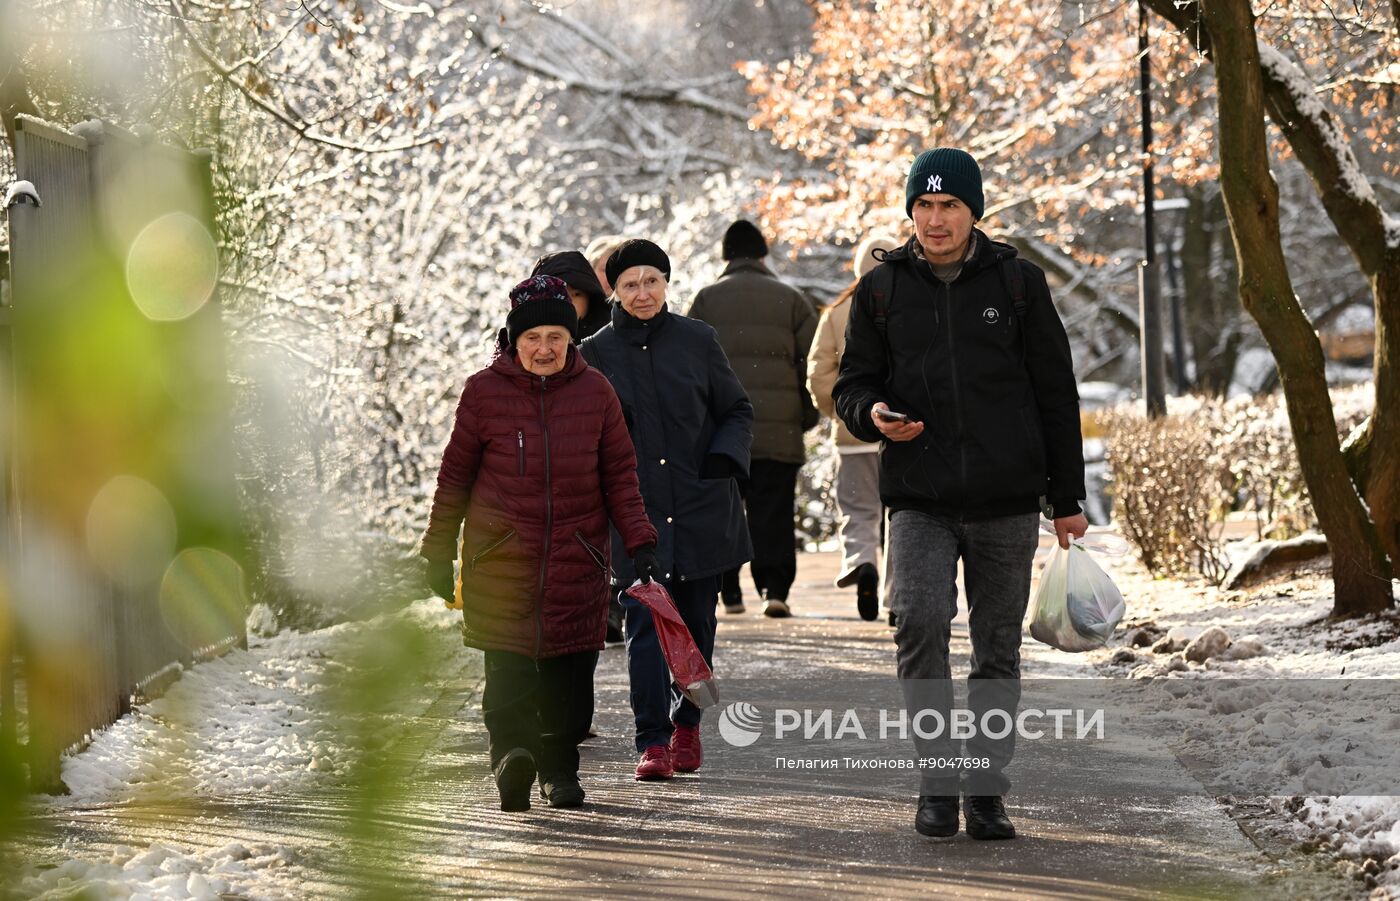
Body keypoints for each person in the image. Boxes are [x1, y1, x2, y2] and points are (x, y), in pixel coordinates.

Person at [833, 148, 1087, 841]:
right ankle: (937, 779)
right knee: (917, 622)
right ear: (910, 210)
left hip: (1007, 500)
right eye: (924, 206)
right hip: (919, 496)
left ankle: (986, 788)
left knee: (996, 649)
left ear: (974, 210)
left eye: (949, 206)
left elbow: (1055, 393)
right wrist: (873, 412)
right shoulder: (881, 290)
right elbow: (851, 384)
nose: (935, 219)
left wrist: (1066, 497)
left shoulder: (1019, 284)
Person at [419, 274, 658, 812]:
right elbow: (453, 478)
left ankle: (558, 768)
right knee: (506, 674)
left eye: (556, 336)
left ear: (571, 339)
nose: (544, 349)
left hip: (577, 560)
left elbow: (621, 475)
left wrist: (639, 540)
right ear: (513, 339)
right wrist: (437, 550)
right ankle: (513, 757)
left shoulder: (597, 393)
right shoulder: (483, 393)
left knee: (570, 680)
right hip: (500, 560)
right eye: (533, 338)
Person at [580, 239, 753, 781]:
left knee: (699, 624)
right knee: (644, 626)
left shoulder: (698, 340)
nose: (643, 292)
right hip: (637, 510)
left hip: (701, 502)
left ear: (667, 282)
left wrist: (723, 458)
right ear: (614, 289)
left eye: (651, 280)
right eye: (630, 283)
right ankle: (652, 741)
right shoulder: (596, 353)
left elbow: (736, 408)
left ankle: (688, 723)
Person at [687, 219, 817, 618]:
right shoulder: (792, 299)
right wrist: (803, 417)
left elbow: (690, 367)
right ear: (763, 255)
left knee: (725, 511)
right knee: (774, 511)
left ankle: (730, 592)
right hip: (779, 429)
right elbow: (812, 365)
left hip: (722, 431)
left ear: (726, 256)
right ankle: (774, 588)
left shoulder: (707, 300)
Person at [807, 233, 899, 621]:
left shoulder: (837, 312)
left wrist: (841, 412)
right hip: (901, 430)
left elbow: (818, 373)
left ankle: (863, 562)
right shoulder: (910, 304)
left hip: (854, 432)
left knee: (859, 509)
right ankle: (898, 598)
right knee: (902, 514)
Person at [531, 250, 612, 341]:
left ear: (590, 298)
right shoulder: (520, 346)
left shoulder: (608, 343)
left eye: (576, 294)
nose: (568, 301)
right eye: (559, 294)